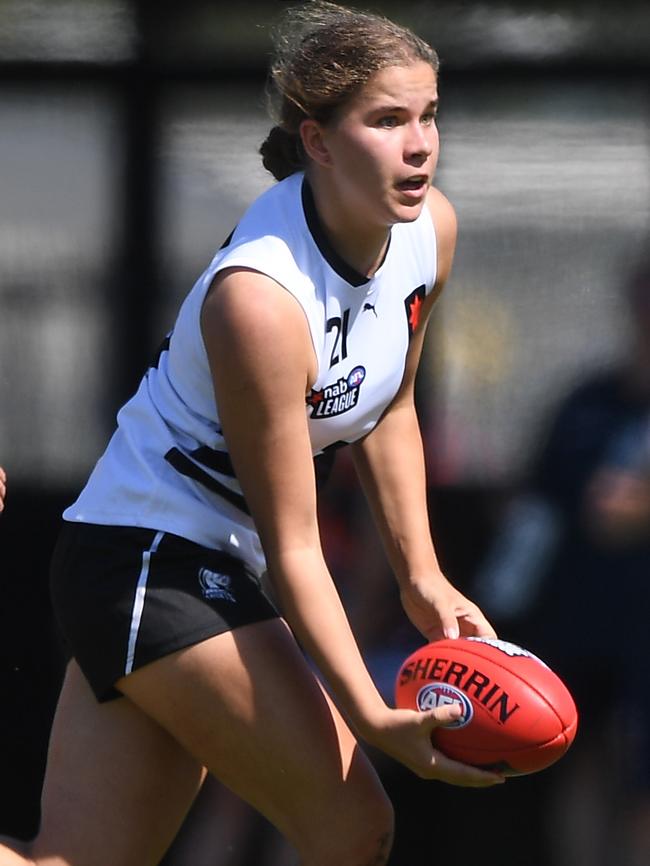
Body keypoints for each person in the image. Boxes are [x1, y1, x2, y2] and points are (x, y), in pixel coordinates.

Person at [0, 4, 505, 865]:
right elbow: (297, 545)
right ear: (317, 140)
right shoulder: (261, 301)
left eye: (428, 116)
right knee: (353, 827)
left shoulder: (429, 232)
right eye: (386, 121)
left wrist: (424, 578)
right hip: (146, 562)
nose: (420, 144)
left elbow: (391, 408)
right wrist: (369, 714)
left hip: (187, 563)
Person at [472, 255, 650, 866]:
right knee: (575, 761)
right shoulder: (586, 403)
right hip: (579, 623)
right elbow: (535, 508)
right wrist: (499, 601)